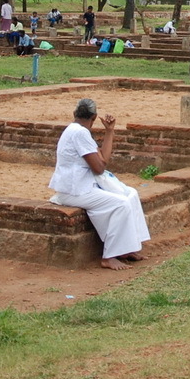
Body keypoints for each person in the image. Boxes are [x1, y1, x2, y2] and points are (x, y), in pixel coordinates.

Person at [49, 98, 150, 270]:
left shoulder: (78, 131)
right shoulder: (80, 133)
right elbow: (99, 168)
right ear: (94, 117)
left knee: (131, 194)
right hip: (75, 191)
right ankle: (109, 256)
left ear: (75, 114)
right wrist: (101, 161)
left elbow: (102, 158)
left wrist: (109, 131)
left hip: (83, 187)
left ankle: (128, 249)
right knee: (121, 204)